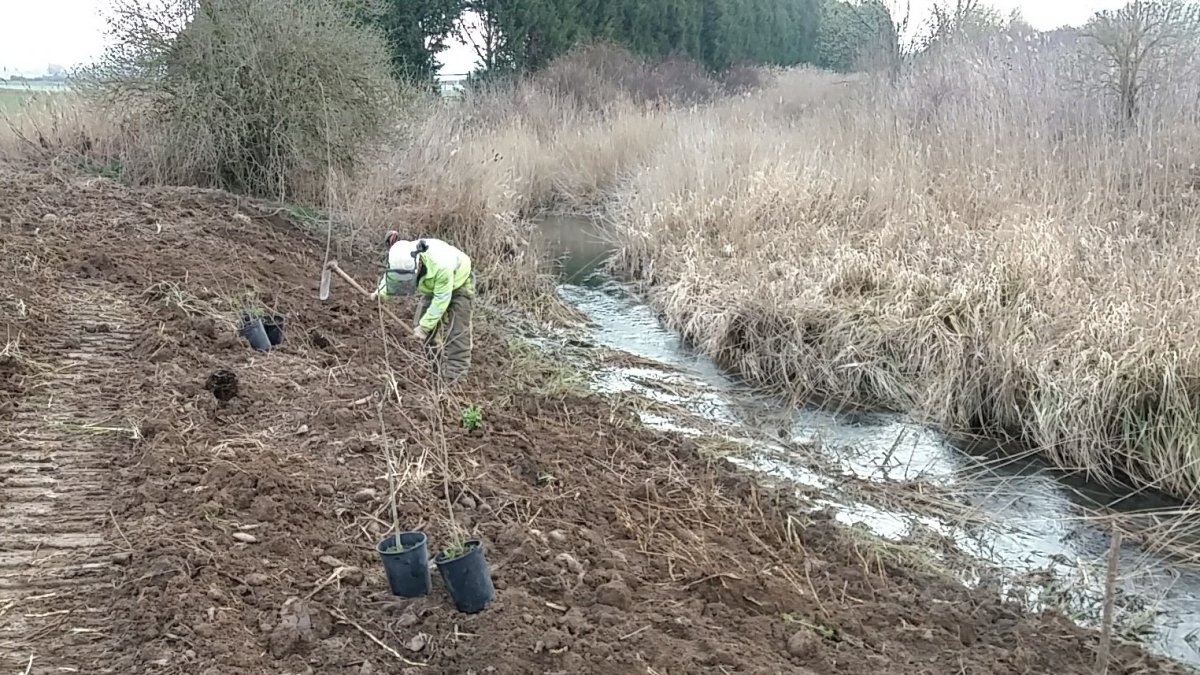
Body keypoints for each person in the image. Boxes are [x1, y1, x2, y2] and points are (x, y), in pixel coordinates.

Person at [371, 232, 475, 384]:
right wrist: (379, 294)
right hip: (435, 287)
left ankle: (456, 377)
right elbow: (393, 278)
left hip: (460, 282)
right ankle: (433, 368)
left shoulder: (441, 265)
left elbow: (441, 300)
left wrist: (424, 327)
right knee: (422, 322)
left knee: (457, 331)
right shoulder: (400, 256)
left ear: (418, 264)